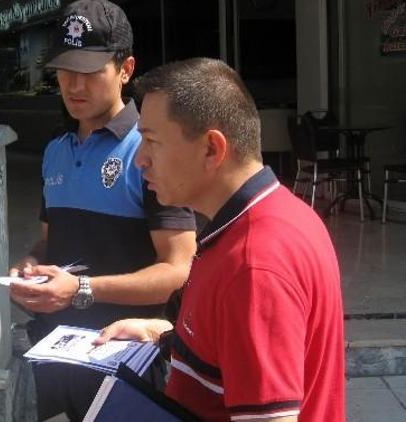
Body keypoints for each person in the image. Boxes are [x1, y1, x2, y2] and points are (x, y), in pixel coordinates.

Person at [95, 58, 345, 421]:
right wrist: (162, 334)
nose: (140, 160)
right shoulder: (275, 215)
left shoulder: (253, 265)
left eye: (150, 141)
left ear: (212, 149)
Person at [8, 1, 197, 420]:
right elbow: (49, 238)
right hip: (58, 354)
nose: (74, 85)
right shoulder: (57, 150)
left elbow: (179, 270)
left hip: (129, 361)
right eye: (64, 70)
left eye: (91, 71)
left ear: (125, 69)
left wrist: (81, 290)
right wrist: (32, 265)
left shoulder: (149, 151)